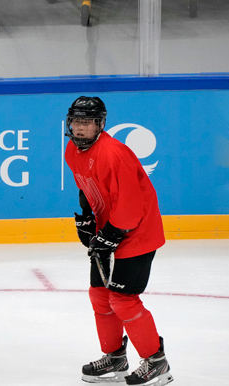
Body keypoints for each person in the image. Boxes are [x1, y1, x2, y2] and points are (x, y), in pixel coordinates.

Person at [64, 97, 174, 386]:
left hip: (137, 233)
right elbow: (87, 186)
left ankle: (156, 362)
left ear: (100, 124)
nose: (80, 127)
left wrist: (111, 235)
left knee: (123, 300)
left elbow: (131, 206)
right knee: (100, 295)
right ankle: (115, 357)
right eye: (76, 121)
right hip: (109, 230)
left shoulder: (114, 154)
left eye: (87, 122)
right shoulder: (72, 150)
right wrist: (88, 218)